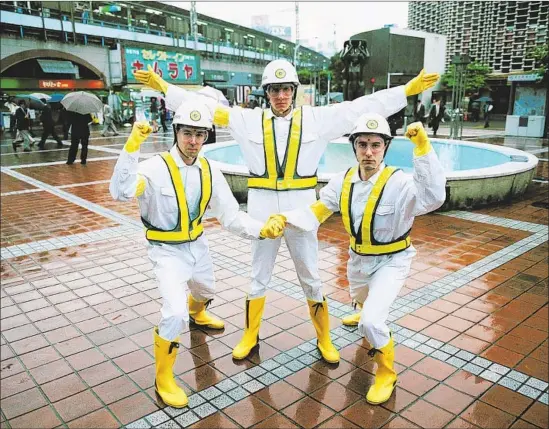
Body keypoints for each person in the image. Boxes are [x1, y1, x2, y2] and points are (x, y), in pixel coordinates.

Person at [134, 60, 439, 364]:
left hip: (302, 207)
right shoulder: (246, 120)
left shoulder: (317, 119)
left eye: (286, 89)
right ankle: (250, 335)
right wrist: (163, 87)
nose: (281, 95)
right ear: (266, 92)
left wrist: (407, 90)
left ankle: (324, 337)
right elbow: (201, 109)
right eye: (274, 89)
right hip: (262, 208)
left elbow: (361, 108)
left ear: (295, 90)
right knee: (258, 276)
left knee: (311, 276)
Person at [109, 102, 285, 408]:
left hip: (197, 246)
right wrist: (132, 146)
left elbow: (230, 216)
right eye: (188, 133)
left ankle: (198, 312)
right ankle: (163, 377)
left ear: (207, 136)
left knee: (206, 290)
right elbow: (121, 192)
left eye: (200, 134)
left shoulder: (210, 170)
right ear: (176, 132)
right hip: (165, 251)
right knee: (174, 313)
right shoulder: (154, 169)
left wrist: (262, 229)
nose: (193, 141)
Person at [282, 114, 446, 405]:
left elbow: (433, 197)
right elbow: (319, 209)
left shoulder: (400, 183)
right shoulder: (343, 180)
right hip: (357, 259)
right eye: (362, 145)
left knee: (371, 322)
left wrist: (422, 149)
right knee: (359, 298)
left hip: (392, 259)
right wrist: (285, 220)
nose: (368, 152)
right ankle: (365, 308)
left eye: (375, 145)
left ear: (386, 147)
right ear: (354, 147)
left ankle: (386, 373)